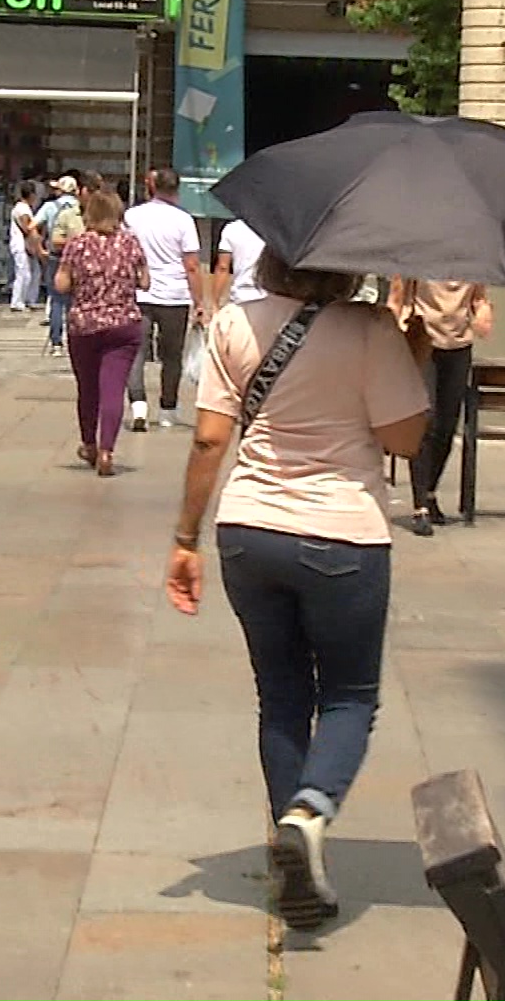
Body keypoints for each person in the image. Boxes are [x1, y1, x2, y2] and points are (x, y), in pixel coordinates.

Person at [165, 251, 429, 932]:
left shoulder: (234, 323)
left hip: (249, 531)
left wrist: (185, 539)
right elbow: (404, 438)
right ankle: (307, 816)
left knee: (281, 695)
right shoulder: (370, 330)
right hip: (343, 532)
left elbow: (209, 440)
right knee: (348, 696)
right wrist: (412, 348)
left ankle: (294, 860)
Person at [57, 190, 149, 476]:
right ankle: (108, 450)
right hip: (124, 325)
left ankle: (89, 444)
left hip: (84, 326)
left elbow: (61, 284)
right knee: (113, 388)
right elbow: (145, 282)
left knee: (88, 388)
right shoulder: (131, 243)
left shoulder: (77, 244)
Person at [390, 277, 491, 537]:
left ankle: (430, 491)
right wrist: (394, 329)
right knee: (427, 419)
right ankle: (419, 505)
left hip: (459, 345)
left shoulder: (473, 262)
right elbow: (396, 299)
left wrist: (483, 314)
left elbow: (479, 299)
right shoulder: (418, 256)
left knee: (447, 425)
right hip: (423, 339)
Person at [123, 168, 207, 431]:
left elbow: (125, 252)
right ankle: (168, 409)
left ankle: (138, 406)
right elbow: (192, 264)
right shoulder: (184, 221)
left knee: (136, 351)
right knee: (172, 356)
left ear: (152, 187)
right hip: (175, 295)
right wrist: (199, 301)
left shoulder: (132, 216)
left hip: (139, 292)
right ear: (177, 189)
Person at [39, 173, 87, 358]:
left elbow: (32, 225)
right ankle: (76, 338)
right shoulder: (81, 209)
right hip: (80, 258)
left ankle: (56, 343)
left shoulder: (49, 206)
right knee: (76, 301)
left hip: (57, 255)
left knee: (57, 300)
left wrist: (38, 248)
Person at [7, 179, 44, 313]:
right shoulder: (22, 209)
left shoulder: (24, 208)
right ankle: (18, 301)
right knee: (24, 273)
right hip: (21, 245)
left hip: (23, 245)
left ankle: (28, 299)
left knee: (32, 272)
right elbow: (27, 227)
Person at [215, 216, 268, 307]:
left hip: (239, 296)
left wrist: (214, 303)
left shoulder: (231, 228)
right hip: (267, 297)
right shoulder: (274, 231)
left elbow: (222, 267)